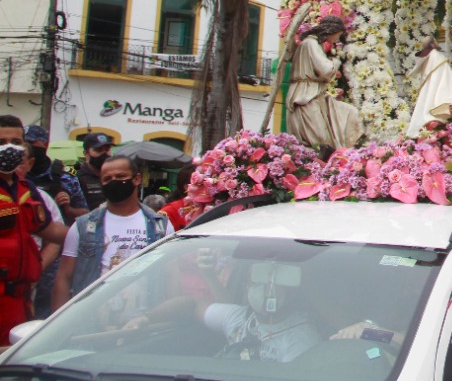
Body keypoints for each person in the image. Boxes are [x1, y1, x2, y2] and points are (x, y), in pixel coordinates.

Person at [129, 260, 322, 362]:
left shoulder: (302, 338)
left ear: (287, 287)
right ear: (246, 286)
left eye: (270, 283)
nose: (263, 290)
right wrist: (146, 318)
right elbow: (192, 304)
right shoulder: (240, 318)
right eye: (256, 282)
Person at [52, 155, 173, 310]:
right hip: (92, 320)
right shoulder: (83, 227)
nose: (114, 182)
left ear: (137, 179)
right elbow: (63, 278)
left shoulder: (161, 227)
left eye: (121, 176)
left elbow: (171, 276)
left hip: (145, 320)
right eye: (107, 179)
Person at [0, 116, 65, 340]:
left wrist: (92, 232)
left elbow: (51, 231)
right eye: (1, 142)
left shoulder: (25, 189)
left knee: (13, 363)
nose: (8, 148)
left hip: (21, 299)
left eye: (16, 142)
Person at [286, 15, 364, 153]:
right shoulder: (311, 44)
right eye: (338, 35)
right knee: (319, 138)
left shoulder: (314, 44)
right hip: (307, 96)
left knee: (350, 113)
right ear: (331, 31)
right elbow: (325, 69)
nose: (337, 39)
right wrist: (336, 62)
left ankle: (346, 151)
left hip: (315, 94)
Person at [23, 124, 87, 223]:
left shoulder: (66, 176)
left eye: (30, 142)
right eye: (21, 143)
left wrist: (67, 209)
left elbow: (85, 213)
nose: (25, 147)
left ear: (45, 144)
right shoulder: (12, 175)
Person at [406, 34, 452, 135]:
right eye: (435, 41)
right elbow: (444, 74)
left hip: (428, 91)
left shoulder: (426, 57)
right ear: (432, 44)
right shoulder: (436, 56)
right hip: (437, 92)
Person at [76, 131, 114, 209]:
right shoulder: (78, 177)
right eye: (98, 150)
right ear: (86, 153)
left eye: (107, 150)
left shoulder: (115, 176)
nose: (104, 154)